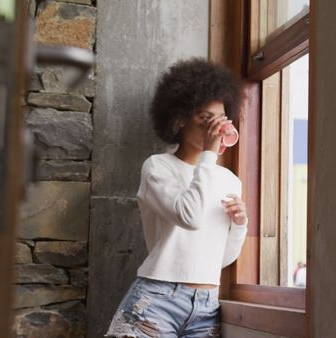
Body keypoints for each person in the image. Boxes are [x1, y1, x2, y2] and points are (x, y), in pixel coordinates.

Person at [104, 58, 249, 337]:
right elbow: (189, 216)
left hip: (206, 307)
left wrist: (239, 225)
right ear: (180, 119)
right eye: (205, 119)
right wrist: (209, 154)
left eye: (219, 120)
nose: (214, 129)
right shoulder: (158, 168)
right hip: (156, 300)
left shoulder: (229, 181)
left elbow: (220, 258)